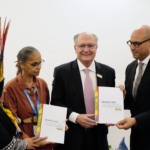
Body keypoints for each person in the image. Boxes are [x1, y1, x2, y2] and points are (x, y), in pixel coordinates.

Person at [51, 32, 115, 150]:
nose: (86, 49)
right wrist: (76, 117)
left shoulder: (109, 72)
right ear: (75, 48)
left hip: (99, 138)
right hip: (71, 137)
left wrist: (113, 114)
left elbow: (111, 103)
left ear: (96, 47)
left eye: (90, 45)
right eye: (82, 46)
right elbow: (56, 102)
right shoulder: (61, 72)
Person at [2, 46, 54, 150]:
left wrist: (58, 124)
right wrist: (27, 142)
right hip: (25, 140)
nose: (39, 67)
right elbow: (12, 121)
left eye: (40, 62)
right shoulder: (10, 87)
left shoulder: (42, 84)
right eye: (34, 64)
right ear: (21, 64)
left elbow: (47, 112)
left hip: (45, 138)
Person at [116, 25, 150, 150]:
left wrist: (136, 120)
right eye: (130, 43)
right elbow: (133, 103)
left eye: (136, 43)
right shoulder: (130, 68)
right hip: (137, 138)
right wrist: (121, 96)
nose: (131, 47)